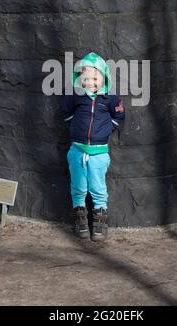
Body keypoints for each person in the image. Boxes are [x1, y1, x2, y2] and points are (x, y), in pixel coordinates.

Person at [61, 52, 125, 242]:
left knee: (98, 187)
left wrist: (107, 130)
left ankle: (99, 219)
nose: (90, 82)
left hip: (99, 152)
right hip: (77, 150)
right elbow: (65, 112)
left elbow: (120, 116)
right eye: (86, 78)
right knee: (78, 186)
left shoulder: (110, 99)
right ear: (79, 79)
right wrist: (74, 127)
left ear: (104, 77)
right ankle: (80, 217)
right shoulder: (75, 96)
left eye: (95, 78)